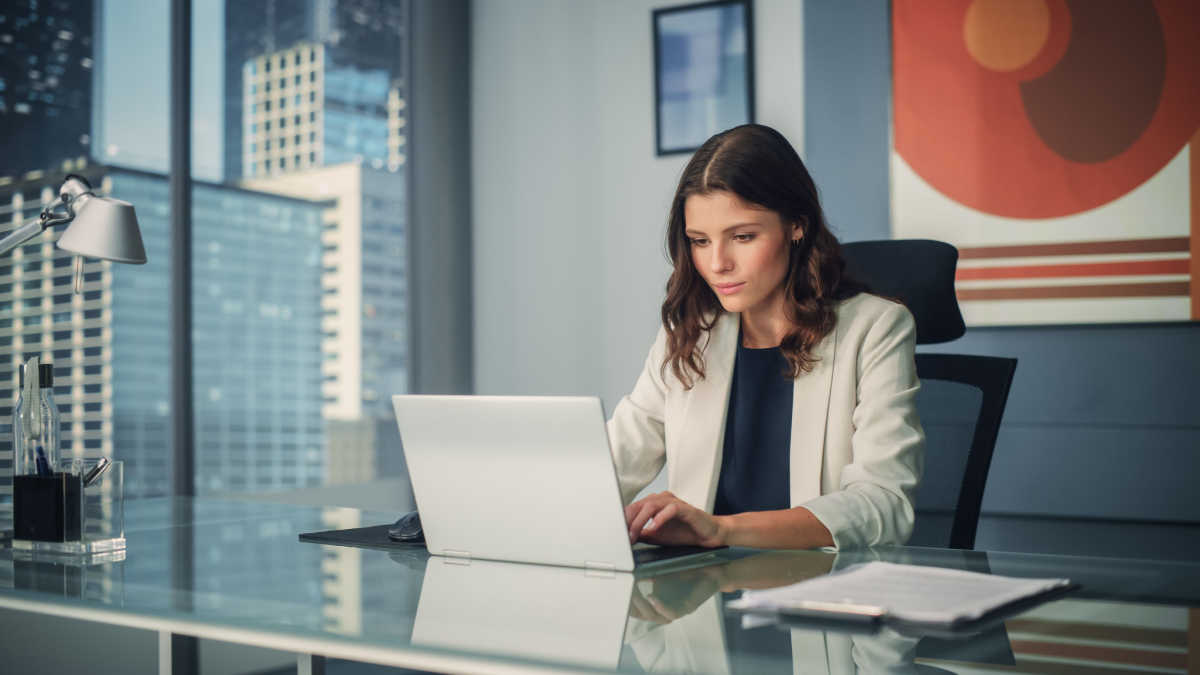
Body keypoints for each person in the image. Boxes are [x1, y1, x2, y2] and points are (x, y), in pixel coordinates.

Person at [608, 124, 924, 551]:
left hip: (819, 595)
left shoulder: (876, 329)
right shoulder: (688, 333)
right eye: (699, 241)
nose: (718, 263)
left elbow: (884, 504)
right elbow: (611, 463)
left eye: (742, 237)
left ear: (796, 225)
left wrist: (721, 531)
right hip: (705, 601)